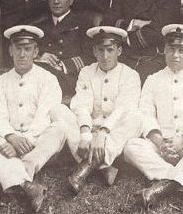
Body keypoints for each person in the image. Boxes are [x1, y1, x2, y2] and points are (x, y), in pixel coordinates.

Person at [123, 24, 183, 210]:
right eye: (171, 49)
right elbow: (145, 113)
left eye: (182, 50)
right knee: (130, 147)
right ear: (164, 50)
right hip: (162, 146)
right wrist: (159, 142)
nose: (175, 55)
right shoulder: (153, 79)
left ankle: (162, 187)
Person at [0, 25, 66, 214]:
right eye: (17, 48)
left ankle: (5, 180)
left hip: (38, 141)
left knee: (59, 129)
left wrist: (25, 141)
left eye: (27, 49)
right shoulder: (1, 81)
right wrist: (11, 137)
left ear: (36, 51)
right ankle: (29, 186)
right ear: (10, 50)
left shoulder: (48, 79)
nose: (22, 54)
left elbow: (45, 115)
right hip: (10, 140)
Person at [58, 26, 142, 193]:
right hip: (89, 130)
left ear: (119, 50)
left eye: (110, 50)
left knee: (136, 118)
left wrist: (103, 133)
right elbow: (82, 104)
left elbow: (122, 109)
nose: (105, 56)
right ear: (94, 51)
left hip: (113, 131)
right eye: (100, 50)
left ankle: (85, 169)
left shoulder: (130, 75)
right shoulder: (86, 72)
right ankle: (104, 167)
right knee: (58, 110)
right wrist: (85, 132)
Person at [32, 0, 93, 97]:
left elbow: (90, 57)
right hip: (40, 80)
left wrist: (61, 65)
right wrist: (39, 56)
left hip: (69, 82)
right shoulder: (38, 26)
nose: (56, 1)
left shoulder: (83, 24)